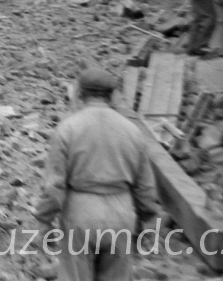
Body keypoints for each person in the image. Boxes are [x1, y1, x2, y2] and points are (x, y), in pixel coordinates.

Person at [33, 67, 160, 281]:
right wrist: (148, 220)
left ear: (79, 93)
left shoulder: (68, 128)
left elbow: (54, 185)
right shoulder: (132, 131)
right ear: (112, 96)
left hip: (80, 214)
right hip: (121, 215)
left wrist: (44, 220)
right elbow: (145, 186)